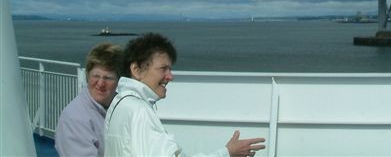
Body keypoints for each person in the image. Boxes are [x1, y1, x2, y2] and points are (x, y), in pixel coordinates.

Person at [104, 33, 266, 157]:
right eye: (163, 69)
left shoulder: (119, 104)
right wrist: (227, 152)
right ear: (136, 70)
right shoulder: (139, 111)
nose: (170, 76)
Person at [55, 42, 124, 157]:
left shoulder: (121, 107)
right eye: (96, 76)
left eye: (108, 78)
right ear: (88, 76)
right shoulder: (75, 118)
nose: (101, 83)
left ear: (119, 81)